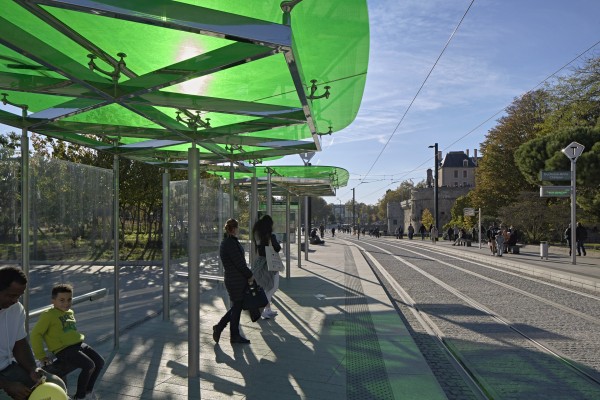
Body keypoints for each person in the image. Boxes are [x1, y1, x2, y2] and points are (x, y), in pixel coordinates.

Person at [0, 267, 67, 400]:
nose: (15, 300)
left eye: (19, 295)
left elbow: (20, 344)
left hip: (8, 367)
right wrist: (6, 385)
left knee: (56, 384)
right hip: (4, 378)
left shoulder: (16, 309)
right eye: (11, 295)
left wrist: (32, 368)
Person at [31, 284, 104, 400]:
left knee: (100, 362)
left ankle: (88, 392)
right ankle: (80, 397)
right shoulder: (48, 315)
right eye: (62, 300)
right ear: (53, 301)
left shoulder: (70, 312)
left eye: (69, 299)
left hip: (79, 345)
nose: (66, 303)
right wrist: (41, 356)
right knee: (89, 366)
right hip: (64, 349)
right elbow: (35, 334)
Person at [213, 218, 254, 344]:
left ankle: (225, 330)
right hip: (235, 280)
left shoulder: (228, 242)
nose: (238, 230)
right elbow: (239, 263)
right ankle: (226, 331)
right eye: (237, 228)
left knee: (237, 306)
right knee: (237, 306)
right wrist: (249, 275)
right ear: (234, 229)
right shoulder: (230, 243)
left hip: (233, 279)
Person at [251, 215, 282, 319]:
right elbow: (277, 248)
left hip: (261, 262)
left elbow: (260, 249)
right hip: (271, 263)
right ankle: (262, 307)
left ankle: (267, 309)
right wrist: (273, 237)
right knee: (273, 287)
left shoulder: (258, 234)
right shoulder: (270, 235)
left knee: (267, 286)